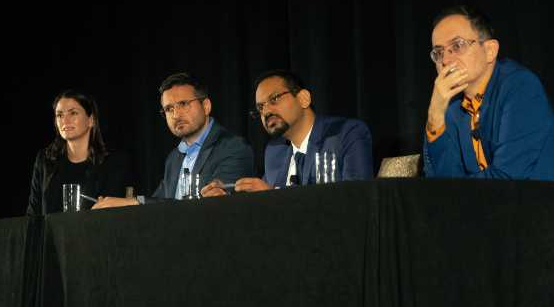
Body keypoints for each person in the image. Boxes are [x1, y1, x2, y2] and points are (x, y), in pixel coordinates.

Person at [423, 5, 554, 181]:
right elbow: (440, 183)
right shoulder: (450, 106)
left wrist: (453, 195)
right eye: (438, 52)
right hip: (489, 206)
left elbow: (506, 180)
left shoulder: (520, 86)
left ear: (490, 51)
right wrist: (435, 114)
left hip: (550, 204)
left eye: (457, 45)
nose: (446, 60)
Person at [93, 72, 254, 208]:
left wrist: (134, 203)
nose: (176, 115)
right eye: (169, 109)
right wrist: (125, 203)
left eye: (183, 104)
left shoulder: (234, 148)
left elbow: (212, 207)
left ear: (206, 106)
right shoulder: (173, 158)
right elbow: (158, 203)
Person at [202, 69, 373, 196]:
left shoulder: (347, 134)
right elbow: (261, 199)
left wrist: (274, 196)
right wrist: (228, 195)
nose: (266, 112)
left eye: (274, 99)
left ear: (303, 98)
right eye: (260, 107)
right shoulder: (275, 151)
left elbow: (356, 201)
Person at [28, 90, 132, 215]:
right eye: (59, 115)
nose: (65, 121)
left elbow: (117, 217)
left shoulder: (114, 162)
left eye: (73, 113)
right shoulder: (45, 160)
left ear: (91, 120)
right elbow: (33, 214)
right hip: (51, 235)